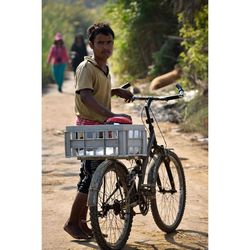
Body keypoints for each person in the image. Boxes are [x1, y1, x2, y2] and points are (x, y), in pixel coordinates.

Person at [63, 23, 133, 240]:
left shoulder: (103, 68)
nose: (105, 47)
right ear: (91, 44)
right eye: (100, 43)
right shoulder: (87, 67)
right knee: (91, 176)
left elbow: (97, 90)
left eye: (109, 42)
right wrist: (109, 115)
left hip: (99, 127)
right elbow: (85, 95)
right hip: (89, 127)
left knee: (90, 174)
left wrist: (115, 90)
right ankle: (72, 222)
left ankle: (82, 224)